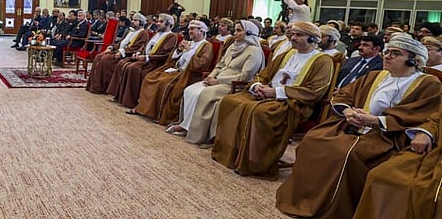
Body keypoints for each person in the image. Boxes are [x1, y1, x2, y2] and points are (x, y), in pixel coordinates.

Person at [276, 34, 441, 218]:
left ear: (413, 61)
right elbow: (343, 95)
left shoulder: (428, 83)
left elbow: (421, 114)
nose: (386, 56)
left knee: (348, 154)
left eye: (395, 54)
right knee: (313, 142)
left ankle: (335, 210)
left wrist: (376, 121)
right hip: (354, 125)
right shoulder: (376, 75)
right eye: (387, 52)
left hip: (388, 135)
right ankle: (308, 202)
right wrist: (347, 111)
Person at [212, 21, 334, 178]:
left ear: (312, 39)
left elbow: (314, 91)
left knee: (260, 112)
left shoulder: (323, 61)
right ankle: (232, 153)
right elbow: (263, 74)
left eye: (299, 35)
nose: (293, 38)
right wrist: (257, 86)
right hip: (267, 93)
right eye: (293, 34)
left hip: (293, 102)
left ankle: (254, 162)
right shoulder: (287, 54)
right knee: (230, 101)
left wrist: (276, 92)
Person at [174, 20, 264, 145]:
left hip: (233, 84)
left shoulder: (254, 51)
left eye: (239, 30)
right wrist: (210, 76)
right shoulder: (233, 46)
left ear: (249, 33)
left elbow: (244, 76)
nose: (235, 33)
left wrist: (217, 81)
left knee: (202, 94)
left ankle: (196, 132)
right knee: (190, 90)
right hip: (217, 80)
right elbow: (220, 64)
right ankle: (185, 124)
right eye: (235, 30)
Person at [352, 104, 442, 219]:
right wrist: (425, 132)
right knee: (380, 175)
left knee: (431, 195)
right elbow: (436, 118)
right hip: (433, 153)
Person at [134, 19, 212, 125]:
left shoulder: (206, 46)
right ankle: (145, 109)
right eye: (189, 29)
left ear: (201, 31)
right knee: (150, 77)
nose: (189, 31)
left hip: (187, 73)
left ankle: (159, 114)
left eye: (192, 29)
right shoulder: (189, 42)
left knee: (163, 84)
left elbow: (201, 64)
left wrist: (189, 50)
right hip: (175, 69)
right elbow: (173, 58)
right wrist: (179, 50)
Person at [108, 13, 178, 108]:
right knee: (124, 64)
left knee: (133, 68)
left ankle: (132, 101)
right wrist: (140, 52)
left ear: (168, 24)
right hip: (146, 59)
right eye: (157, 21)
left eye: (161, 22)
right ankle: (121, 96)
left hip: (155, 63)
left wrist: (147, 57)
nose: (157, 24)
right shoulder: (157, 34)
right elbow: (146, 46)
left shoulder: (172, 36)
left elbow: (165, 54)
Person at [85, 13, 148, 94]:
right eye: (132, 20)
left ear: (141, 22)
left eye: (135, 20)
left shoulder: (143, 33)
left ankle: (103, 87)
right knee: (98, 57)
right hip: (118, 51)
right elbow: (121, 42)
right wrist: (112, 48)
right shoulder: (130, 30)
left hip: (127, 54)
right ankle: (93, 85)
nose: (132, 21)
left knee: (105, 60)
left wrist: (122, 52)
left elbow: (137, 47)